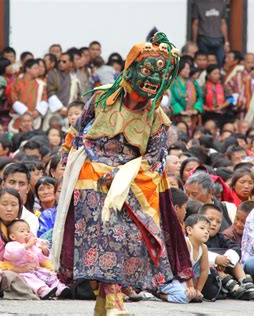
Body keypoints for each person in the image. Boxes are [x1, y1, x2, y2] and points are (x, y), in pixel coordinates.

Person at [51, 33, 192, 315]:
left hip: (129, 183)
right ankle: (113, 300)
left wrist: (122, 175)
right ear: (131, 68)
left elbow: (154, 160)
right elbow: (77, 132)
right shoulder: (103, 97)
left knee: (124, 238)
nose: (152, 79)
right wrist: (67, 162)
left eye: (160, 74)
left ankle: (107, 302)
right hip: (90, 174)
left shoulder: (156, 117)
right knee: (103, 237)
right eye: (148, 70)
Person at [199, 204, 254, 300]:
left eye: (218, 222)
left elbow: (236, 248)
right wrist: (217, 259)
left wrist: (226, 259)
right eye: (210, 219)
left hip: (225, 267)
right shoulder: (195, 238)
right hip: (209, 273)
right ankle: (234, 288)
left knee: (234, 260)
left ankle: (246, 284)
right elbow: (197, 252)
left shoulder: (220, 237)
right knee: (210, 265)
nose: (214, 224)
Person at [3, 219, 71, 299]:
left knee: (49, 275)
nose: (26, 234)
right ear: (12, 236)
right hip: (23, 272)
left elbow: (39, 258)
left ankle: (59, 288)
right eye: (22, 231)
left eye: (28, 231)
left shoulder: (32, 247)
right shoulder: (11, 245)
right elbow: (12, 254)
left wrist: (44, 251)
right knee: (32, 279)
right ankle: (42, 290)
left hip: (36, 270)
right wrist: (26, 246)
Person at [8, 59, 48, 133]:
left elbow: (44, 100)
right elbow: (13, 100)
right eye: (36, 68)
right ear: (27, 69)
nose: (38, 70)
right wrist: (25, 112)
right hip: (19, 117)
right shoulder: (16, 83)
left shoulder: (41, 84)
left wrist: (37, 111)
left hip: (35, 118)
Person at [45, 52, 81, 130]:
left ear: (71, 63)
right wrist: (61, 109)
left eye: (64, 61)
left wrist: (70, 110)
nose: (61, 63)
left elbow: (78, 97)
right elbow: (50, 92)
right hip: (54, 111)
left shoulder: (74, 79)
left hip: (70, 113)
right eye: (59, 61)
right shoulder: (52, 75)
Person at [170, 58, 203, 134]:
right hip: (178, 116)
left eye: (189, 69)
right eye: (186, 69)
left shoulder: (193, 82)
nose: (188, 71)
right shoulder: (173, 83)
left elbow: (200, 97)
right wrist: (181, 111)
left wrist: (196, 109)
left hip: (193, 116)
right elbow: (172, 99)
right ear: (180, 69)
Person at [191, 0, 229, 65]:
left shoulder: (222, 3)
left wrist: (226, 42)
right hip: (203, 38)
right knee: (204, 62)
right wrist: (194, 42)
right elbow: (195, 24)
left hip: (218, 39)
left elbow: (223, 23)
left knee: (221, 62)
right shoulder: (198, 3)